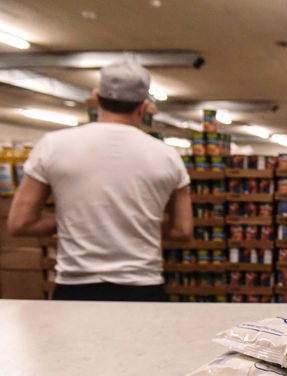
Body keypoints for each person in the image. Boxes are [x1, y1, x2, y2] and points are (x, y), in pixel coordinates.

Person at [7, 61, 193, 301]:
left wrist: (77, 219)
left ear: (96, 98)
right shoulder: (167, 155)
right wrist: (135, 221)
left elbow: (20, 223)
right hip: (143, 288)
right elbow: (182, 230)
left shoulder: (53, 145)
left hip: (76, 287)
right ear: (144, 106)